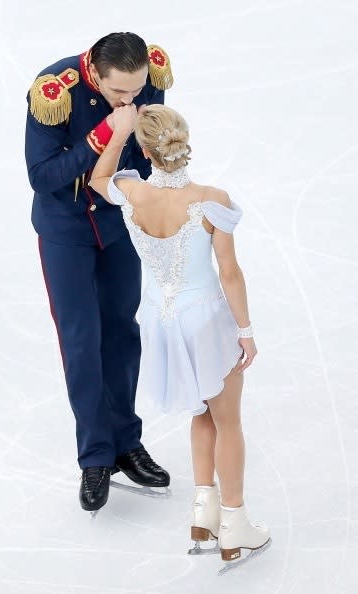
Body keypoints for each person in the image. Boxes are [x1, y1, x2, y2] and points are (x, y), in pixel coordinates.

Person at [89, 104, 271, 563]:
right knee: (226, 418)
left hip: (160, 316)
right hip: (204, 317)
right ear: (183, 142)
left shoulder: (130, 192)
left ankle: (203, 511)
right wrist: (245, 331)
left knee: (200, 410)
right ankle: (234, 522)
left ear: (145, 150)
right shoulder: (212, 199)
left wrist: (118, 131)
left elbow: (97, 179)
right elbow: (229, 273)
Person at [25, 33, 173, 512]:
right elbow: (43, 176)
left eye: (137, 92)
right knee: (81, 340)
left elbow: (143, 157)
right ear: (95, 73)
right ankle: (95, 456)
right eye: (119, 94)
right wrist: (105, 133)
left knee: (122, 334)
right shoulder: (55, 91)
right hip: (66, 228)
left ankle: (126, 442)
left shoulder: (144, 76)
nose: (131, 101)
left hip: (118, 222)